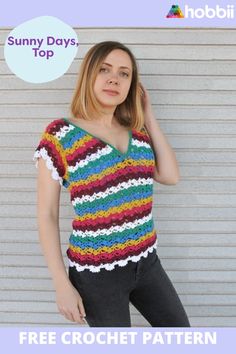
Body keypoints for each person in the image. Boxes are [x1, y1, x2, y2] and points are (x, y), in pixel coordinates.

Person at [33, 41, 190, 327]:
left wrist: (149, 115)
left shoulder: (138, 133)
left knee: (181, 334)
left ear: (132, 84)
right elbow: (47, 214)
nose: (114, 78)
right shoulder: (61, 135)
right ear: (89, 75)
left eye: (124, 73)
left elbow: (170, 175)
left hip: (147, 261)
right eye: (104, 69)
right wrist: (60, 285)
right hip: (96, 273)